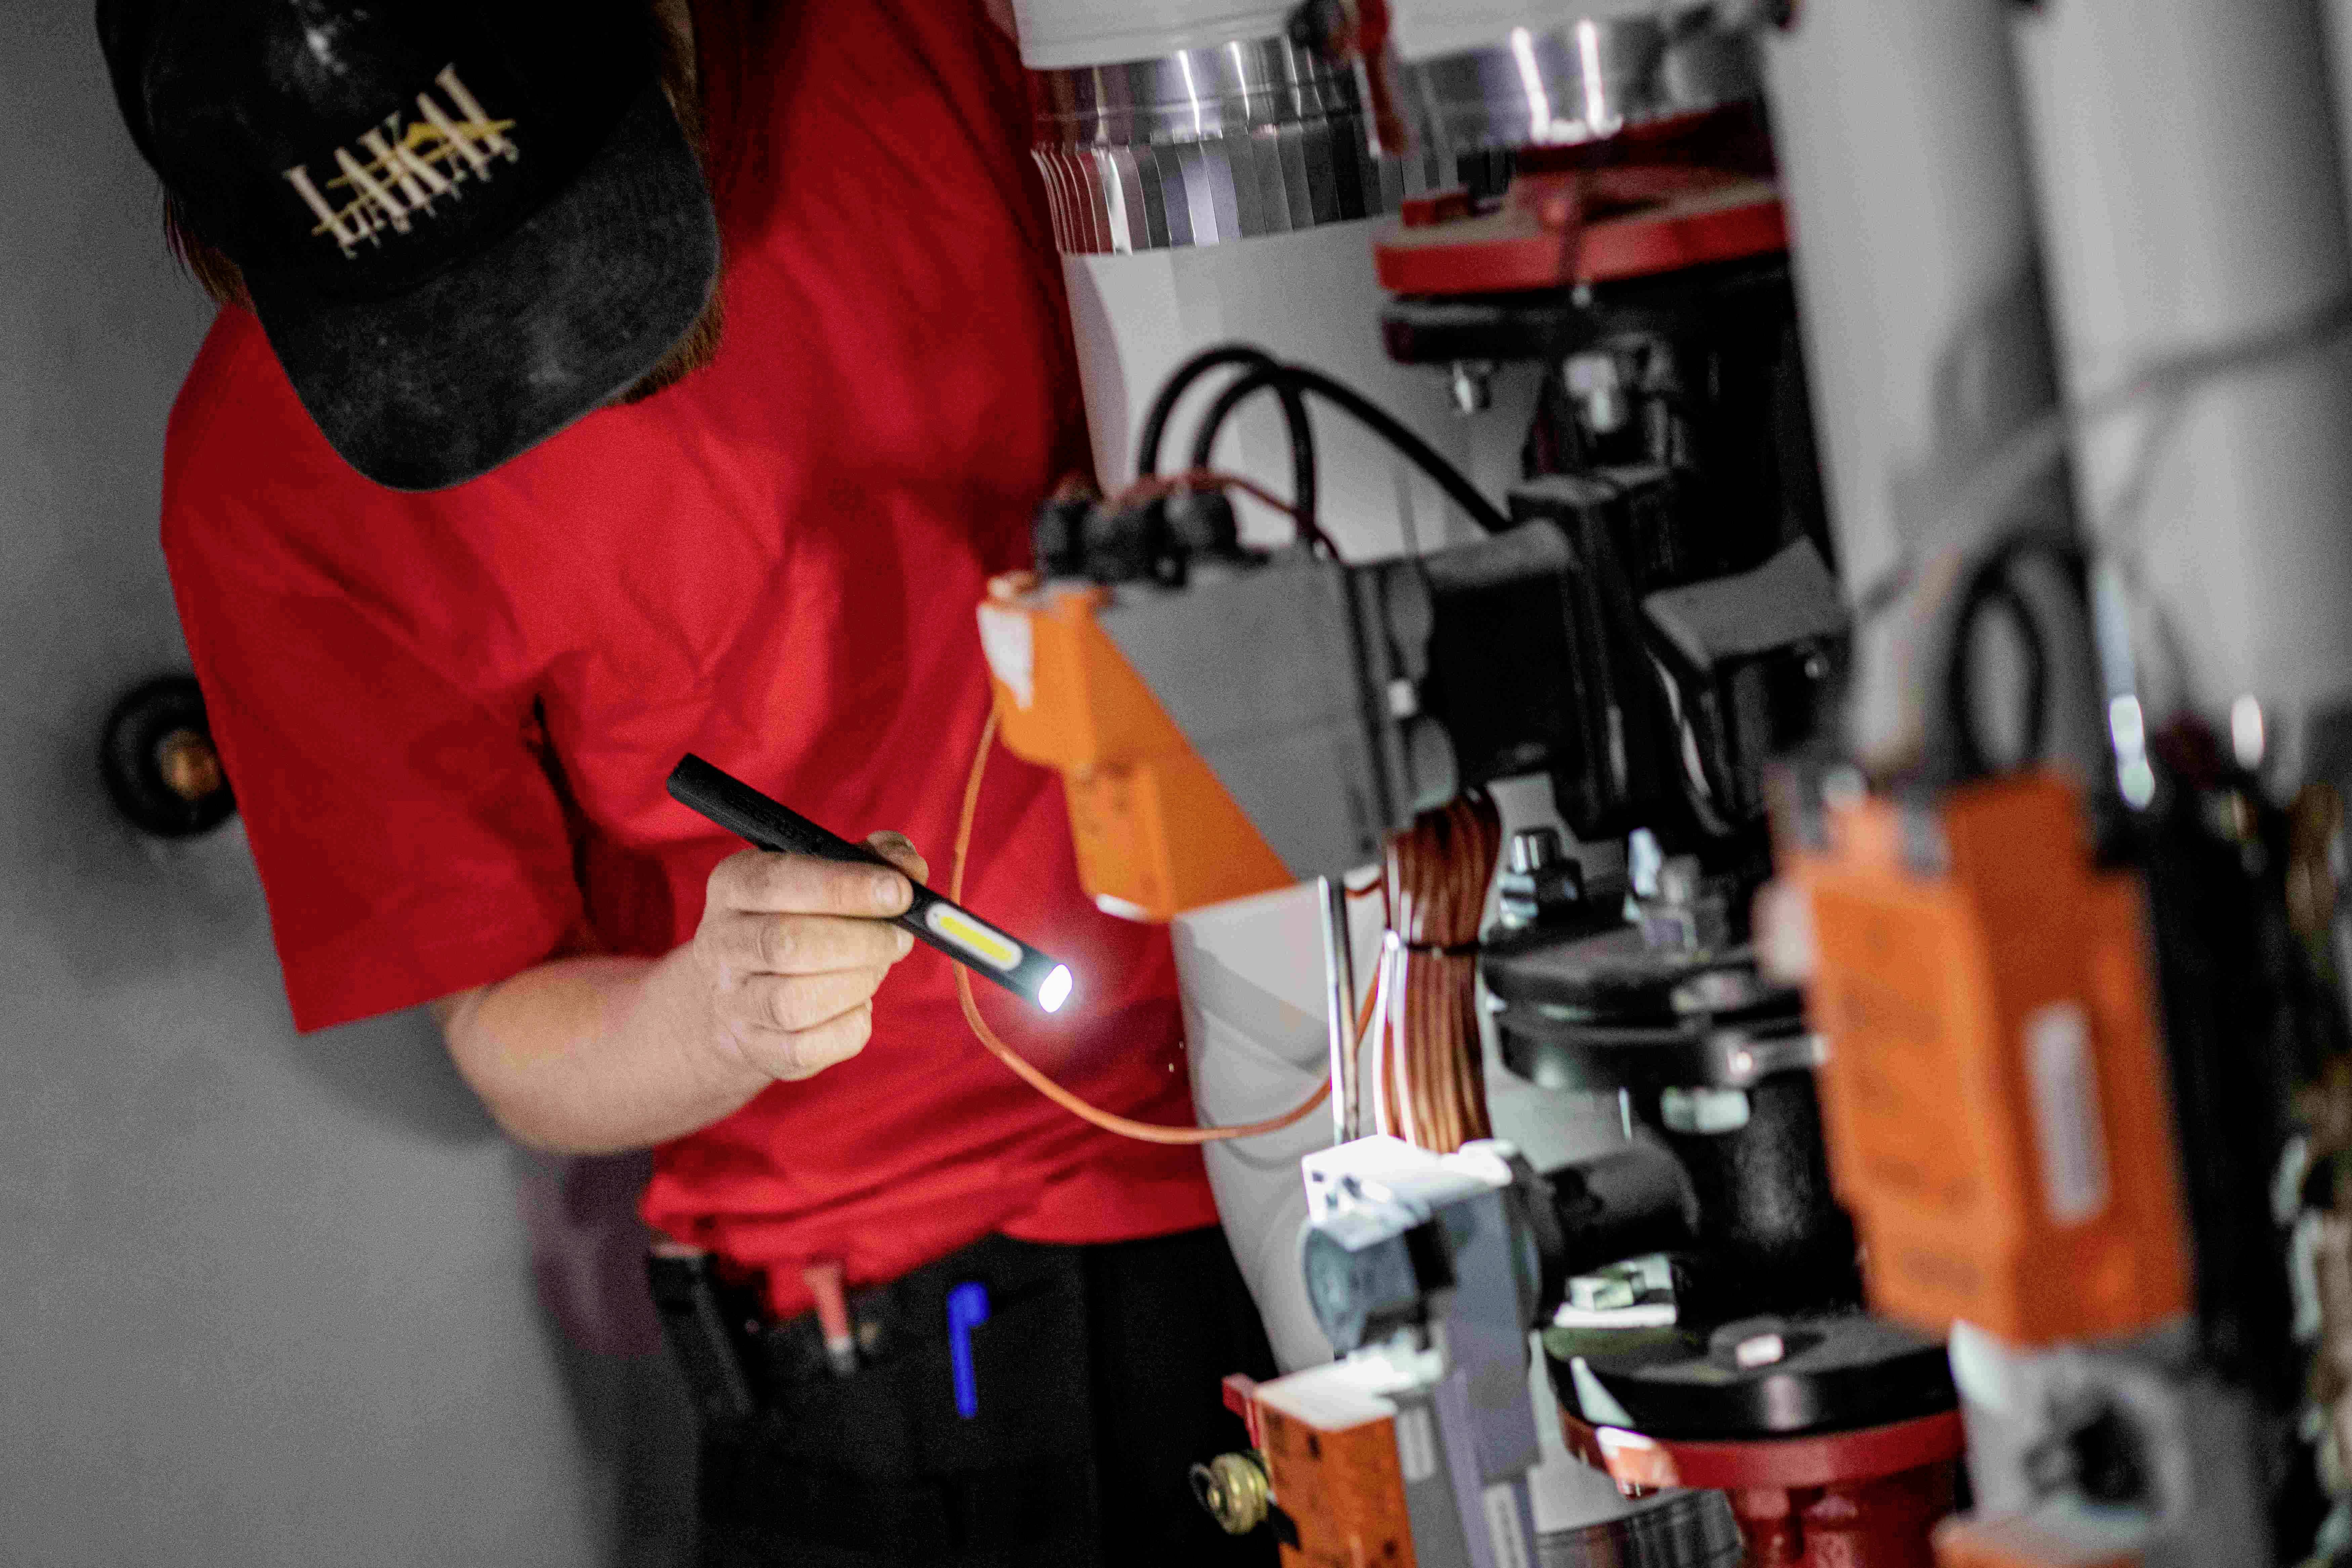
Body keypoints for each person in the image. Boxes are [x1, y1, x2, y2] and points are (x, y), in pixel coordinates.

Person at [97, 1, 1278, 1563]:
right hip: (906, 1343)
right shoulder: (266, 480)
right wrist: (719, 1014)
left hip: (1303, 1085)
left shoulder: (895, 40)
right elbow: (509, 1038)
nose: (549, 355)